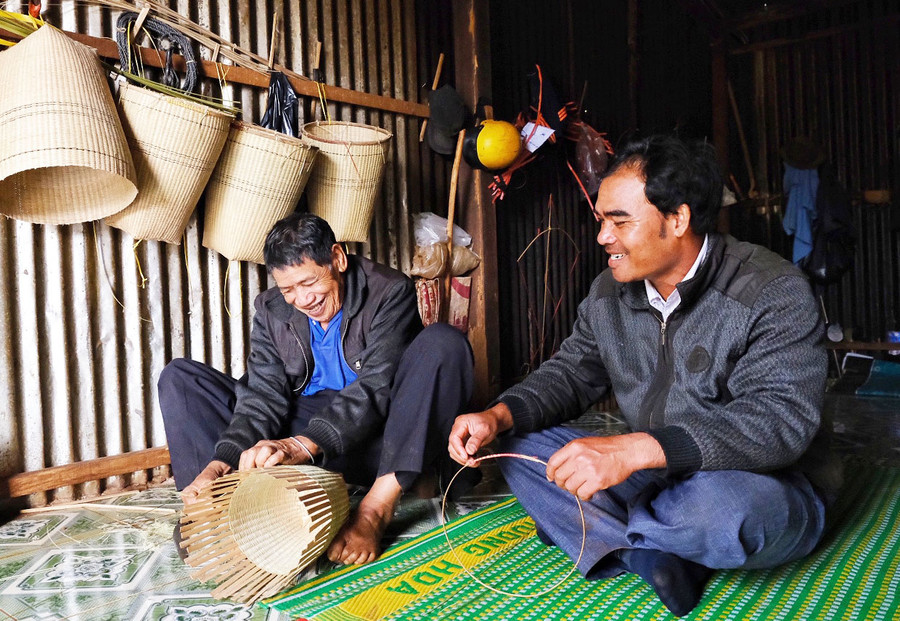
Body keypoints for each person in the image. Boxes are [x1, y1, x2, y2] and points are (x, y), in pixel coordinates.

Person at [449, 134, 841, 617]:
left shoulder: (772, 290)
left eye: (619, 221)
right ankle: (647, 549)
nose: (602, 238)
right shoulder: (608, 294)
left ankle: (602, 530)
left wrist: (633, 449)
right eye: (601, 221)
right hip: (656, 477)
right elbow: (572, 373)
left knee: (726, 513)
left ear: (677, 219)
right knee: (521, 450)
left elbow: (777, 424)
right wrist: (498, 414)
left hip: (761, 484)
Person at [160, 213, 475, 565]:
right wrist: (223, 459)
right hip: (307, 437)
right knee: (180, 379)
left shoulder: (389, 291)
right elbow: (263, 397)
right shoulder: (271, 310)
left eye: (308, 282)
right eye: (288, 289)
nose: (301, 299)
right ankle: (216, 507)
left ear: (338, 259)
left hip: (380, 436)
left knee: (443, 343)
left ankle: (375, 508)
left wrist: (303, 445)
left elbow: (375, 388)